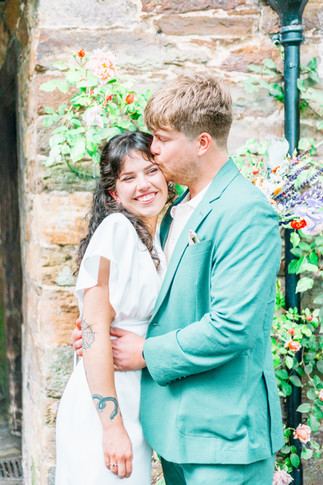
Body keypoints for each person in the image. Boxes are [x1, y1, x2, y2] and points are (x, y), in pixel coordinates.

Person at [73, 73, 285, 484]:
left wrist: (145, 352)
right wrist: (96, 330)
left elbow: (231, 326)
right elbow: (160, 304)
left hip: (224, 438)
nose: (153, 149)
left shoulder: (246, 212)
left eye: (162, 139)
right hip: (174, 431)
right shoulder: (171, 214)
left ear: (201, 143)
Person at [55, 131, 173, 484]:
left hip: (137, 402)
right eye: (128, 178)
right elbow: (92, 332)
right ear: (114, 193)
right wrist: (112, 427)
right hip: (108, 409)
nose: (144, 185)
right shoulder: (117, 230)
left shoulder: (155, 237)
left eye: (151, 171)